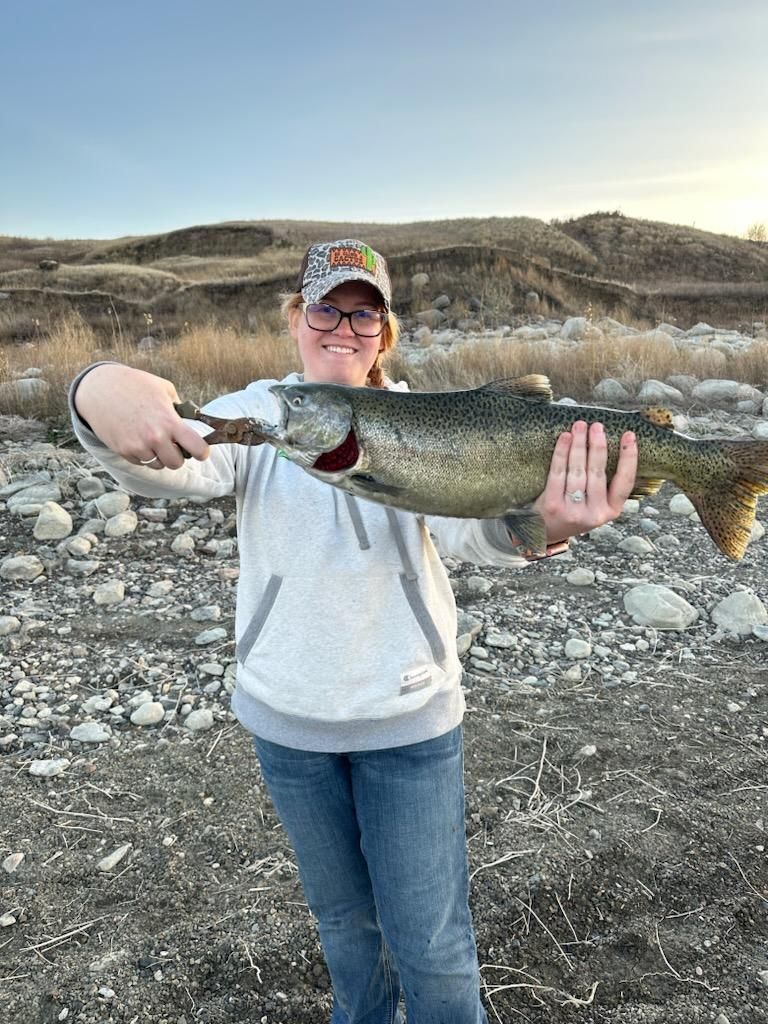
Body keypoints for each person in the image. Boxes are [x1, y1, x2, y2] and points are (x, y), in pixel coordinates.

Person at [70, 239, 638, 1023]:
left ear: (385, 334)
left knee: (432, 945)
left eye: (363, 314)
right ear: (296, 318)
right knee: (344, 928)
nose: (343, 326)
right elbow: (167, 460)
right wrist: (97, 387)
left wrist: (542, 526)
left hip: (409, 723)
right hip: (287, 726)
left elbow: (480, 536)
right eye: (324, 308)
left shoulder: (430, 420)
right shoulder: (265, 414)